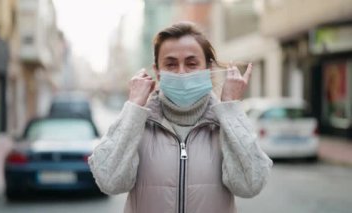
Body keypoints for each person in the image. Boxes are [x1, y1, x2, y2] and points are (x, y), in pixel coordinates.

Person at [88, 22, 273, 213]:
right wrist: (134, 107)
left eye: (192, 64)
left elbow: (251, 185)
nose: (182, 72)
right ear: (157, 71)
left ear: (208, 69)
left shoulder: (225, 123)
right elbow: (109, 181)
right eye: (171, 64)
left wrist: (231, 109)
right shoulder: (138, 122)